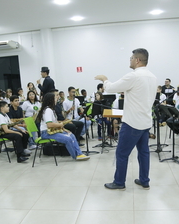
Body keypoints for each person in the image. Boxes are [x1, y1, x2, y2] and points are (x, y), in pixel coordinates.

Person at [95, 48, 157, 190]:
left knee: (122, 153)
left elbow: (110, 88)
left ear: (137, 60)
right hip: (146, 121)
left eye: (131, 58)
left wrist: (104, 79)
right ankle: (144, 180)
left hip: (132, 123)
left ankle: (119, 182)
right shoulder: (153, 77)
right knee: (144, 153)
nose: (129, 60)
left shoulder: (133, 76)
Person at [36, 93, 90, 161]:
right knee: (68, 139)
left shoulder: (51, 110)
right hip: (47, 133)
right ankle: (76, 155)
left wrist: (63, 129)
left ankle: (79, 153)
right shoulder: (48, 110)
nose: (57, 99)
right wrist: (60, 125)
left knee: (71, 135)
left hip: (51, 131)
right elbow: (49, 124)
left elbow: (54, 122)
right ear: (51, 100)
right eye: (55, 98)